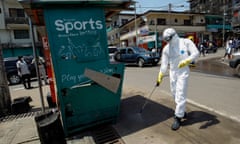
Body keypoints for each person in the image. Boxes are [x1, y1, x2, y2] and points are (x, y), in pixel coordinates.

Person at [156, 28, 199, 130]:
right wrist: (160, 75)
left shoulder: (185, 42)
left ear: (174, 35)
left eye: (168, 39)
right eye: (166, 40)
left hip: (183, 71)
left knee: (180, 93)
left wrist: (187, 61)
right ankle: (182, 111)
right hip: (173, 72)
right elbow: (164, 64)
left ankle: (178, 117)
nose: (168, 42)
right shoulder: (166, 49)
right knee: (174, 93)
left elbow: (196, 53)